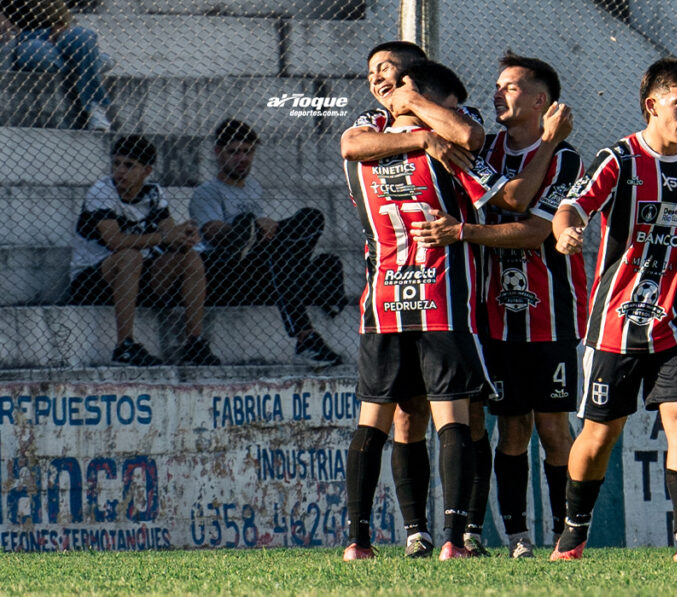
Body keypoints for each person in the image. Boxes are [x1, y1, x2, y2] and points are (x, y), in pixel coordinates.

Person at [549, 57, 677, 562]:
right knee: (600, 435)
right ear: (652, 106)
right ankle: (573, 534)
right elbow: (572, 206)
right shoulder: (620, 159)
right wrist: (565, 232)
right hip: (616, 322)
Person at [412, 51, 585, 558]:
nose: (496, 93)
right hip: (491, 316)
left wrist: (464, 232)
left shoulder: (570, 159)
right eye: (496, 85)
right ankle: (516, 536)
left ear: (540, 100)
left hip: (550, 314)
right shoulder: (485, 153)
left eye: (509, 86)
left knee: (554, 427)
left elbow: (537, 232)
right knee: (510, 427)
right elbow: (510, 200)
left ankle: (566, 534)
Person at [342, 59, 502, 562]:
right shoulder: (448, 152)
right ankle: (453, 540)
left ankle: (357, 542)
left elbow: (351, 145)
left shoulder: (363, 153)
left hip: (384, 302)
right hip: (441, 299)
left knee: (374, 421)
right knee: (451, 417)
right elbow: (494, 189)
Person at [189, 119, 345, 367]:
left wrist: (266, 229)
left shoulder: (252, 188)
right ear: (219, 153)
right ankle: (305, 337)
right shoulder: (207, 192)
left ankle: (274, 252)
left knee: (312, 222)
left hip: (264, 265)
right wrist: (249, 226)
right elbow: (211, 232)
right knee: (252, 228)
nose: (242, 158)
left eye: (247, 151)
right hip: (227, 271)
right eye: (234, 151)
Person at [69, 135, 221, 366]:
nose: (120, 171)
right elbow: (114, 241)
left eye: (129, 165)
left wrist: (184, 236)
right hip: (92, 279)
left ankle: (194, 343)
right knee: (129, 256)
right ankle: (124, 346)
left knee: (189, 258)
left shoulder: (154, 193)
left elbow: (169, 236)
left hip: (137, 279)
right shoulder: (102, 191)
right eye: (117, 163)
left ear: (146, 170)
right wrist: (164, 237)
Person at [0, 0, 113, 131]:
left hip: (54, 34)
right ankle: (91, 61)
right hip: (25, 41)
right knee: (39, 54)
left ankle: (96, 107)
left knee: (84, 36)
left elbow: (61, 12)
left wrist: (60, 24)